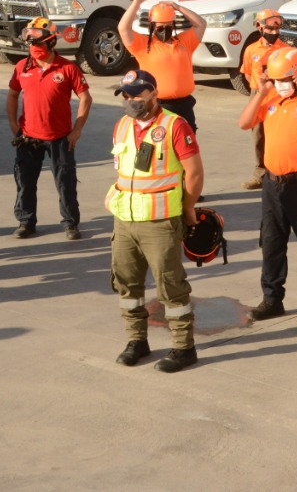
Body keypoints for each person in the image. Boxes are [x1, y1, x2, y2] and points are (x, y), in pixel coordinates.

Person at [105, 69, 203, 373]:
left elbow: (195, 173)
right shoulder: (122, 125)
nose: (130, 100)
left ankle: (183, 347)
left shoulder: (175, 125)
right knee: (126, 283)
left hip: (160, 221)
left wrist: (188, 210)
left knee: (170, 285)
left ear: (153, 93)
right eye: (125, 95)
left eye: (136, 94)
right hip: (124, 220)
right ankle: (137, 341)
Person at [237, 48, 297, 331]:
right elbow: (244, 123)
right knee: (271, 243)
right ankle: (272, 298)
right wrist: (262, 90)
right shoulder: (270, 98)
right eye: (276, 79)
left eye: (285, 78)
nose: (280, 84)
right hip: (272, 184)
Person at [8, 17, 92, 240]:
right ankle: (26, 222)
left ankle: (70, 223)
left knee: (65, 182)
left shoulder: (68, 68)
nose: (34, 49)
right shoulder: (21, 67)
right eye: (31, 45)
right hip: (28, 137)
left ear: (51, 43)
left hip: (60, 137)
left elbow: (85, 98)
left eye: (38, 44)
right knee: (25, 181)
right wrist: (13, 125)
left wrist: (77, 130)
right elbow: (12, 94)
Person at [119, 0, 208, 129]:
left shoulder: (185, 42)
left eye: (168, 27)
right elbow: (123, 28)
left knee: (186, 145)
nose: (164, 31)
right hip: (158, 105)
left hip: (184, 105)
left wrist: (178, 7)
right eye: (160, 28)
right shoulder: (143, 46)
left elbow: (201, 24)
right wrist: (136, 3)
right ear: (152, 26)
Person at [240, 9, 289, 190]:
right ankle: (260, 174)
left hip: (278, 96)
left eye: (277, 30)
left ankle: (281, 171)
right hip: (258, 96)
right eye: (270, 30)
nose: (274, 33)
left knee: (280, 135)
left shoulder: (285, 49)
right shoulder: (251, 50)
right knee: (258, 136)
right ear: (260, 27)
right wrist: (258, 93)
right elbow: (246, 74)